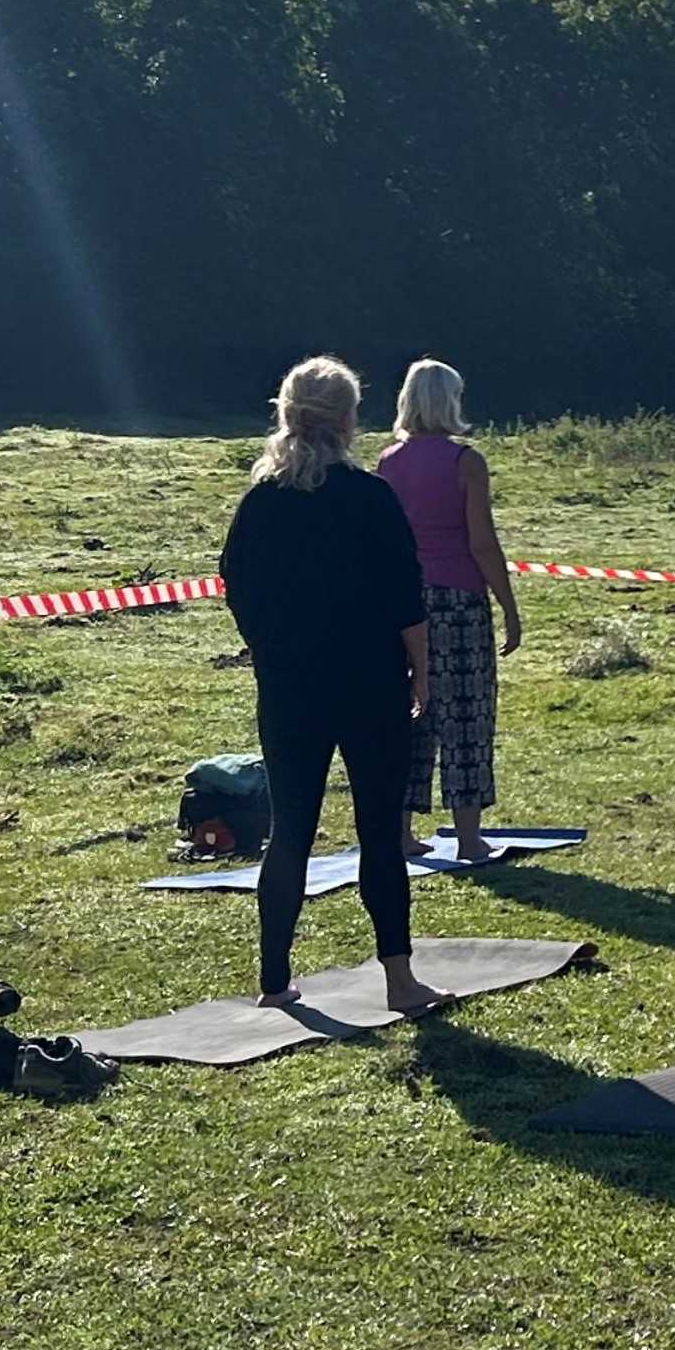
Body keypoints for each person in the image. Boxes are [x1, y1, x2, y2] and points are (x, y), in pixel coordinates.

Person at [219, 357, 440, 1013]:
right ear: (348, 420)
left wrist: (267, 647)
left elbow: (236, 583)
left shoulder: (261, 502)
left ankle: (273, 980)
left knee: (290, 829)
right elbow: (406, 597)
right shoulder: (370, 496)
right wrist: (422, 671)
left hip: (290, 686)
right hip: (371, 681)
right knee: (379, 830)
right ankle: (400, 980)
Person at [376, 358, 521, 864]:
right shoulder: (466, 462)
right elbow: (482, 542)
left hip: (403, 601)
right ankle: (469, 838)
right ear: (450, 401)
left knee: (410, 715)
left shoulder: (388, 462)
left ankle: (400, 832)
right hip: (458, 601)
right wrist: (508, 605)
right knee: (466, 716)